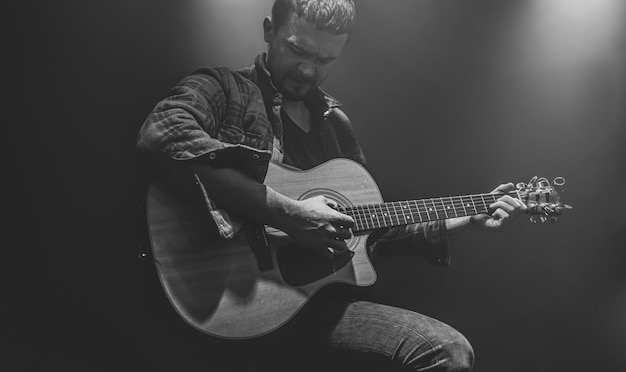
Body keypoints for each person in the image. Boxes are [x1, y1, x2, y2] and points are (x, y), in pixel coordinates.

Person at [137, 0, 526, 371]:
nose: (308, 69)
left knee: (449, 350)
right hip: (238, 297)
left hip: (316, 307)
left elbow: (362, 228)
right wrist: (288, 213)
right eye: (297, 50)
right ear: (270, 31)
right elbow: (162, 132)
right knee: (445, 351)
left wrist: (466, 218)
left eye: (324, 59)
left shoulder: (335, 125)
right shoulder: (223, 89)